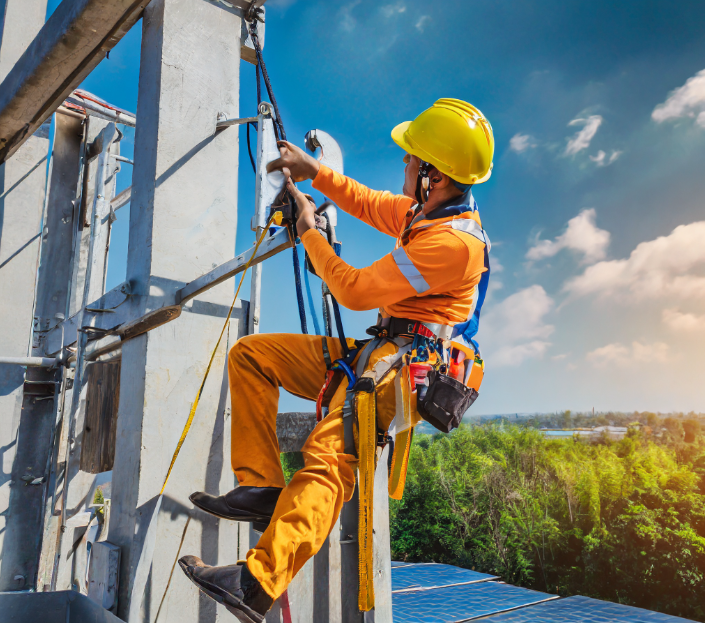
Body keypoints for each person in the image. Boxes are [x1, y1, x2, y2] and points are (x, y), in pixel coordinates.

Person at [178, 98, 494, 623]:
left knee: (328, 459)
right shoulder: (427, 213)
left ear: (434, 176)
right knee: (255, 356)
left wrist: (309, 231)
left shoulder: (452, 245)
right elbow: (371, 203)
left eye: (412, 160)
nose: (405, 166)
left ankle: (256, 583)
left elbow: (353, 289)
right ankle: (261, 486)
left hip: (401, 368)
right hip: (378, 352)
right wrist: (314, 173)